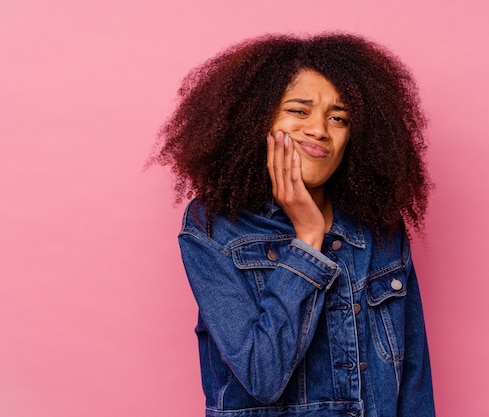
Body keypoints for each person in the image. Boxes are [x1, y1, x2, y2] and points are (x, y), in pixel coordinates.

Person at [154, 33, 435, 417]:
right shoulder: (214, 227)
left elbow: (413, 376)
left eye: (338, 118)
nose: (319, 129)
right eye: (299, 111)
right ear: (258, 121)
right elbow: (262, 378)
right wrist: (307, 240)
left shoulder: (379, 226)